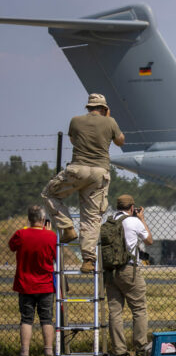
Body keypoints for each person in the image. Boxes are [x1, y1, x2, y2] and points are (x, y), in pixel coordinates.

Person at [42, 93, 126, 273]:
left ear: (88, 107)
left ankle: (67, 227)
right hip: (99, 173)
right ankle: (88, 258)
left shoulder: (75, 121)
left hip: (77, 169)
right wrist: (108, 119)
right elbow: (120, 141)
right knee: (91, 216)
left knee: (49, 194)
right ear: (104, 108)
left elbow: (73, 140)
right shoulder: (110, 122)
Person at [104, 194, 153, 356]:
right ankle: (140, 347)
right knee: (139, 309)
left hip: (110, 270)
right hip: (128, 269)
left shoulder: (109, 221)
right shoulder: (134, 221)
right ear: (132, 208)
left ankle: (119, 350)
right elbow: (149, 241)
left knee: (115, 311)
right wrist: (142, 219)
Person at [8, 205, 56, 356]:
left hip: (25, 284)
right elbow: (56, 255)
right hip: (46, 285)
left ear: (29, 219)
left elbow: (11, 246)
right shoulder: (51, 236)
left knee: (26, 319)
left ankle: (24, 351)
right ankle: (48, 350)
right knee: (47, 319)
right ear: (43, 220)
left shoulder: (21, 234)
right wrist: (48, 233)